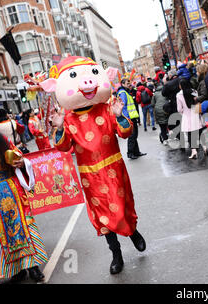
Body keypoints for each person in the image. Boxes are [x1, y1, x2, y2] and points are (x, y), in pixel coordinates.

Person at [43, 57, 147, 275]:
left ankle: (133, 232)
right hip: (90, 177)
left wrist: (120, 116)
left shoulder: (107, 109)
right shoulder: (69, 119)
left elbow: (125, 133)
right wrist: (60, 128)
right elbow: (63, 147)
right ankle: (116, 254)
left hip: (115, 169)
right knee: (102, 215)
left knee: (122, 206)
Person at [0, 131, 48, 283]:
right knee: (2, 236)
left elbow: (18, 156)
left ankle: (33, 267)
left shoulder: (2, 140)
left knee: (24, 228)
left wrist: (21, 162)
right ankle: (15, 270)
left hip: (12, 191)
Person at [176, 79, 206, 159]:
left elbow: (179, 109)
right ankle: (203, 146)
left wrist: (183, 112)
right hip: (196, 113)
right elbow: (197, 102)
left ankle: (194, 151)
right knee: (199, 131)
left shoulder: (179, 95)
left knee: (190, 134)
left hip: (187, 115)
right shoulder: (194, 91)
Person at [117, 79, 146, 160]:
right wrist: (127, 119)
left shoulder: (125, 92)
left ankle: (136, 152)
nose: (129, 84)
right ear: (123, 84)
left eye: (129, 83)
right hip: (129, 118)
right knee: (132, 136)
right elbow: (123, 106)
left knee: (134, 135)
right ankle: (130, 153)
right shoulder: (122, 93)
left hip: (132, 117)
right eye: (127, 83)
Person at [151, 78, 169, 145]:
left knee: (162, 126)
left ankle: (164, 140)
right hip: (166, 109)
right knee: (168, 123)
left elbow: (152, 104)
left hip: (158, 110)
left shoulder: (155, 94)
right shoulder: (166, 92)